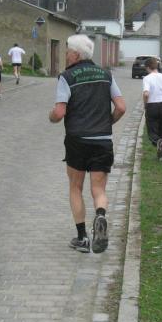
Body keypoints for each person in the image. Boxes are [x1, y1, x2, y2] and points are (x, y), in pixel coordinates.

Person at [49, 34, 126, 254]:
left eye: (67, 52)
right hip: (102, 140)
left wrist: (51, 116)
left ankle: (82, 238)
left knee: (75, 187)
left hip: (77, 141)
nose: (66, 55)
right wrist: (107, 122)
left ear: (75, 54)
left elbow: (59, 112)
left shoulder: (67, 77)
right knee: (98, 189)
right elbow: (121, 107)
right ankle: (100, 216)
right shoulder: (106, 74)